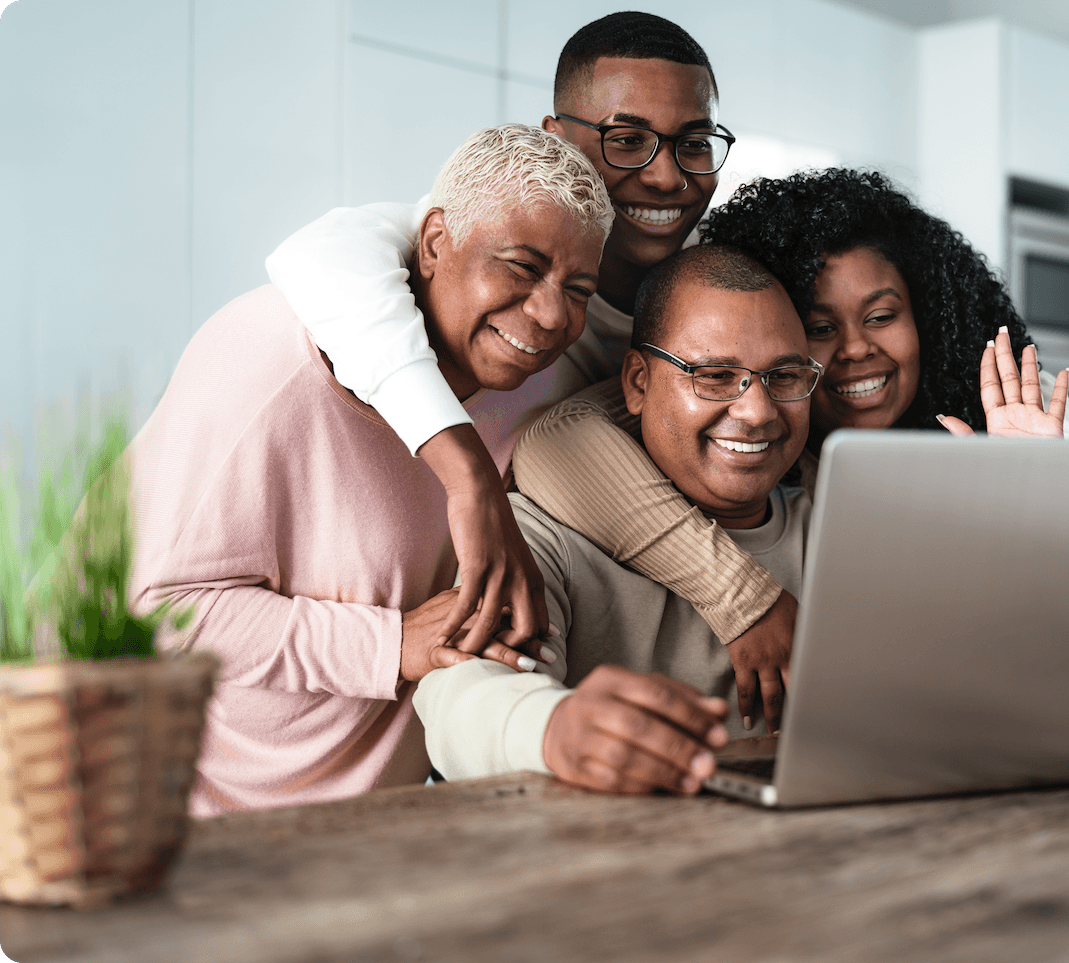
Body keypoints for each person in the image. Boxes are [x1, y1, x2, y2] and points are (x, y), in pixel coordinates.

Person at [264, 13, 792, 697]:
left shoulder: (718, 301)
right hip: (493, 687)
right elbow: (321, 253)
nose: (666, 177)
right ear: (557, 138)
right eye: (626, 140)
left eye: (694, 143)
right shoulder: (470, 248)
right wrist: (469, 476)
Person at [127, 126, 612, 815]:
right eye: (521, 267)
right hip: (193, 821)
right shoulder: (265, 364)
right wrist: (391, 644)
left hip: (380, 830)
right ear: (437, 243)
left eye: (578, 287)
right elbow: (161, 611)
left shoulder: (541, 385)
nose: (550, 314)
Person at [509, 169, 1069, 734]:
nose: (855, 349)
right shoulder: (783, 463)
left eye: (883, 316)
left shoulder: (1009, 408)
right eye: (819, 327)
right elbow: (557, 440)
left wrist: (1027, 512)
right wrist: (745, 600)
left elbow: (1020, 668)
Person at [414, 245, 819, 794]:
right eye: (715, 376)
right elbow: (459, 694)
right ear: (637, 384)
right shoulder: (536, 535)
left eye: (785, 376)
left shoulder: (838, 527)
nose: (757, 411)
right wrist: (552, 729)